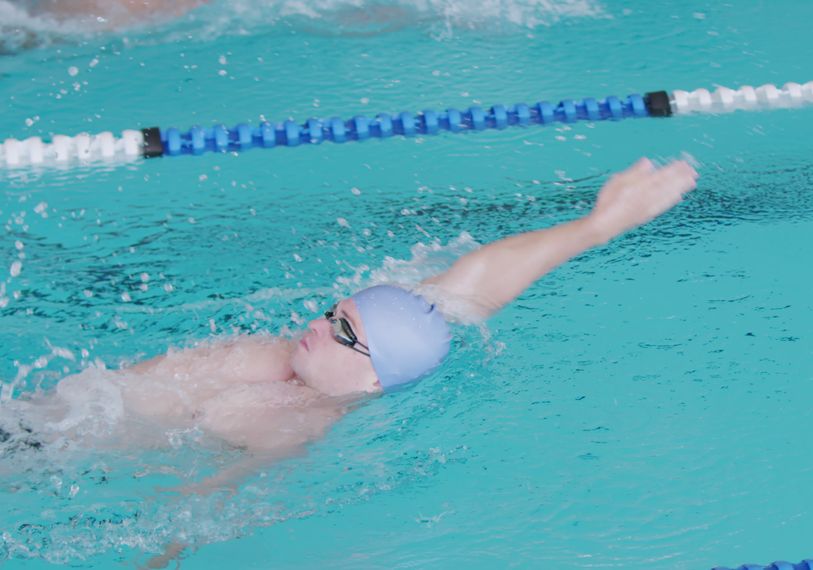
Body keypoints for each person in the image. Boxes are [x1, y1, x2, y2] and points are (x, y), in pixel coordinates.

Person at [0, 157, 698, 491]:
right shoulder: (357, 343)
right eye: (334, 313)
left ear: (372, 379)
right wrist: (598, 225)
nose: (320, 324)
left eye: (343, 332)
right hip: (36, 411)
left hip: (48, 455)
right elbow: (474, 285)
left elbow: (206, 502)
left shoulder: (294, 424)